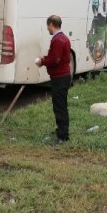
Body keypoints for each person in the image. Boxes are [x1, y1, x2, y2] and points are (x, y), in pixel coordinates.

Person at [35, 15, 72, 143]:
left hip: (60, 78)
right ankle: (61, 131)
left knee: (59, 107)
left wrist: (42, 61)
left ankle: (62, 136)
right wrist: (45, 58)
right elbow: (57, 56)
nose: (47, 28)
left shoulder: (57, 40)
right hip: (63, 76)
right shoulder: (63, 38)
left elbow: (55, 60)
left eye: (47, 26)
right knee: (60, 105)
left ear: (51, 24)